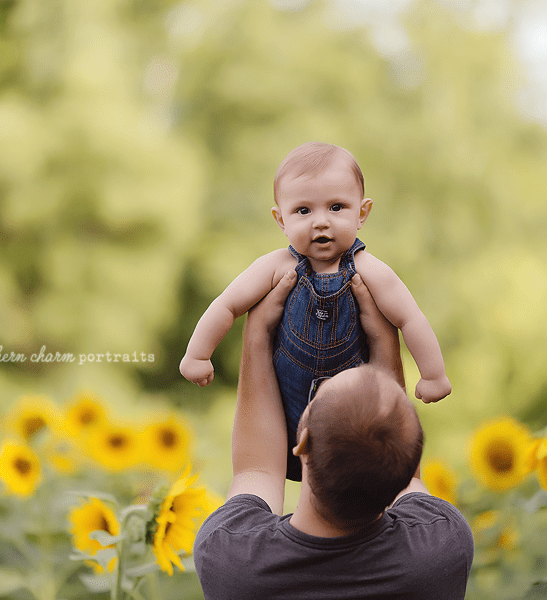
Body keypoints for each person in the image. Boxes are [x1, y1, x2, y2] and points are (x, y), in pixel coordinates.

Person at [193, 269, 473, 600]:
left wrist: (257, 335)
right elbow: (408, 479)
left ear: (304, 441)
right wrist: (384, 337)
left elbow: (257, 470)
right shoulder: (440, 548)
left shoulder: (231, 558)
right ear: (411, 458)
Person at [180, 141, 451, 480]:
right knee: (269, 463)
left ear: (362, 213)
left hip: (353, 403)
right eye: (303, 211)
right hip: (286, 398)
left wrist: (433, 375)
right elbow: (227, 304)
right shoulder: (277, 266)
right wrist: (198, 354)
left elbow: (410, 318)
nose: (320, 222)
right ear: (281, 219)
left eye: (336, 207)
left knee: (360, 472)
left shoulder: (370, 270)